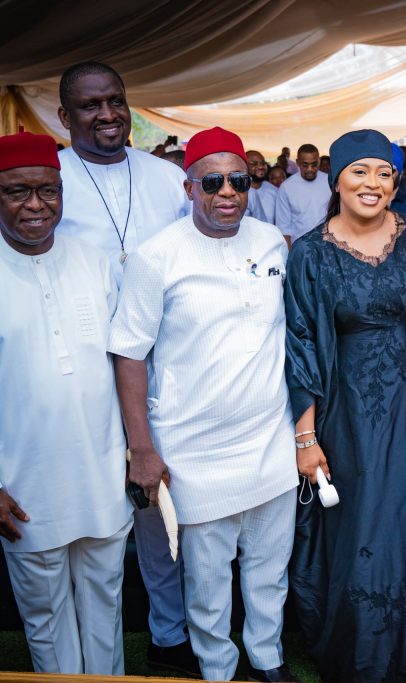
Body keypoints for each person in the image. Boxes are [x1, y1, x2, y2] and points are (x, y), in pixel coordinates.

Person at [109, 127, 298, 682]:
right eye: (211, 182)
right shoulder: (155, 256)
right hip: (193, 448)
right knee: (208, 579)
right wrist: (141, 447)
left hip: (269, 438)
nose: (226, 193)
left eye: (238, 181)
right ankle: (218, 668)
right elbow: (129, 355)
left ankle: (268, 660)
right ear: (189, 187)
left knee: (269, 569)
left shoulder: (270, 242)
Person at [52, 60, 195, 675]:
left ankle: (171, 637)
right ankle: (82, 649)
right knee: (94, 511)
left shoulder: (168, 177)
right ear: (64, 117)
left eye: (115, 100)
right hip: (76, 368)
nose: (107, 114)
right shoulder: (47, 177)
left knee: (158, 502)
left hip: (164, 364)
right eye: (90, 105)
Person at [284, 129, 406, 682]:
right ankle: (363, 655)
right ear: (336, 178)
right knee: (362, 524)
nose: (372, 183)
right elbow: (299, 344)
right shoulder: (312, 254)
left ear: (395, 182)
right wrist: (305, 437)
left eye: (383, 173)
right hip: (348, 412)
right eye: (359, 171)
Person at [0, 131, 133, 675]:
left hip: (100, 471)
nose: (35, 205)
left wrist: (134, 452)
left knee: (107, 605)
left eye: (48, 191)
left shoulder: (94, 260)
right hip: (24, 484)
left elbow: (124, 360)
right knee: (45, 615)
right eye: (16, 192)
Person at [275, 143, 330, 245]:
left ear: (319, 161)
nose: (310, 169)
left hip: (327, 246)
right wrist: (290, 255)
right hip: (300, 247)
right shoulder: (286, 187)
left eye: (314, 164)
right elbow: (283, 228)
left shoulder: (329, 181)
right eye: (305, 165)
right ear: (297, 162)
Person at [245, 150, 277, 226]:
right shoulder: (237, 192)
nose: (261, 167)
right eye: (254, 164)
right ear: (243, 165)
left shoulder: (274, 191)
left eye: (263, 163)